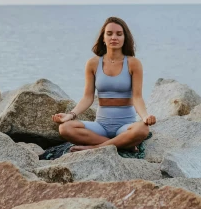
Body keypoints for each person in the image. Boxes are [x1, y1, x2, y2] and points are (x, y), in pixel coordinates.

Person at [52, 16, 156, 152]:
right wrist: (70, 115)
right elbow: (87, 97)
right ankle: (124, 144)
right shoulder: (93, 63)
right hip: (101, 126)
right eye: (109, 33)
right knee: (64, 128)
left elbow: (137, 97)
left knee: (142, 129)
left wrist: (145, 117)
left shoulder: (133, 63)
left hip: (125, 127)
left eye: (119, 34)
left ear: (125, 38)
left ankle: (96, 147)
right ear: (103, 38)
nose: (114, 37)